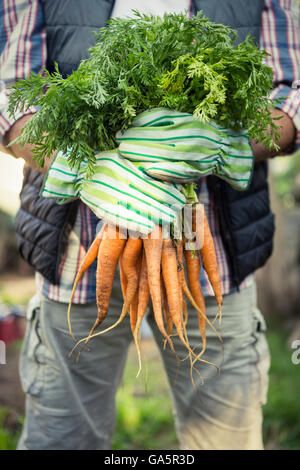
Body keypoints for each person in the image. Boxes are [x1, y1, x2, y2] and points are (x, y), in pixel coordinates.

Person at [0, 0, 299, 451]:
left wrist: (219, 144)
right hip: (78, 250)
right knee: (61, 437)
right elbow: (10, 95)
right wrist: (102, 170)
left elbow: (289, 95)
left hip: (212, 254)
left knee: (226, 440)